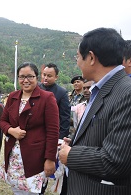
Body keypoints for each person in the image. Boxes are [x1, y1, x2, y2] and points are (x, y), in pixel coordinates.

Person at [59, 28, 131, 195]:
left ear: (91, 57)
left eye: (78, 56)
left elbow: (116, 160)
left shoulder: (125, 93)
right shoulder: (100, 90)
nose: (77, 62)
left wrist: (72, 154)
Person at [0, 62, 59, 194]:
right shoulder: (13, 97)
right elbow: (2, 121)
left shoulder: (47, 98)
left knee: (32, 191)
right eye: (21, 77)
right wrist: (12, 130)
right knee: (17, 190)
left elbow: (53, 131)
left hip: (35, 157)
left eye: (30, 76)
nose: (25, 80)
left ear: (37, 77)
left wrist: (50, 159)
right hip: (14, 156)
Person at [39, 63, 70, 139]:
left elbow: (65, 118)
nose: (45, 78)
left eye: (49, 76)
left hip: (52, 135)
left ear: (56, 77)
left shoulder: (62, 93)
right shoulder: (35, 88)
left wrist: (60, 138)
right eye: (44, 75)